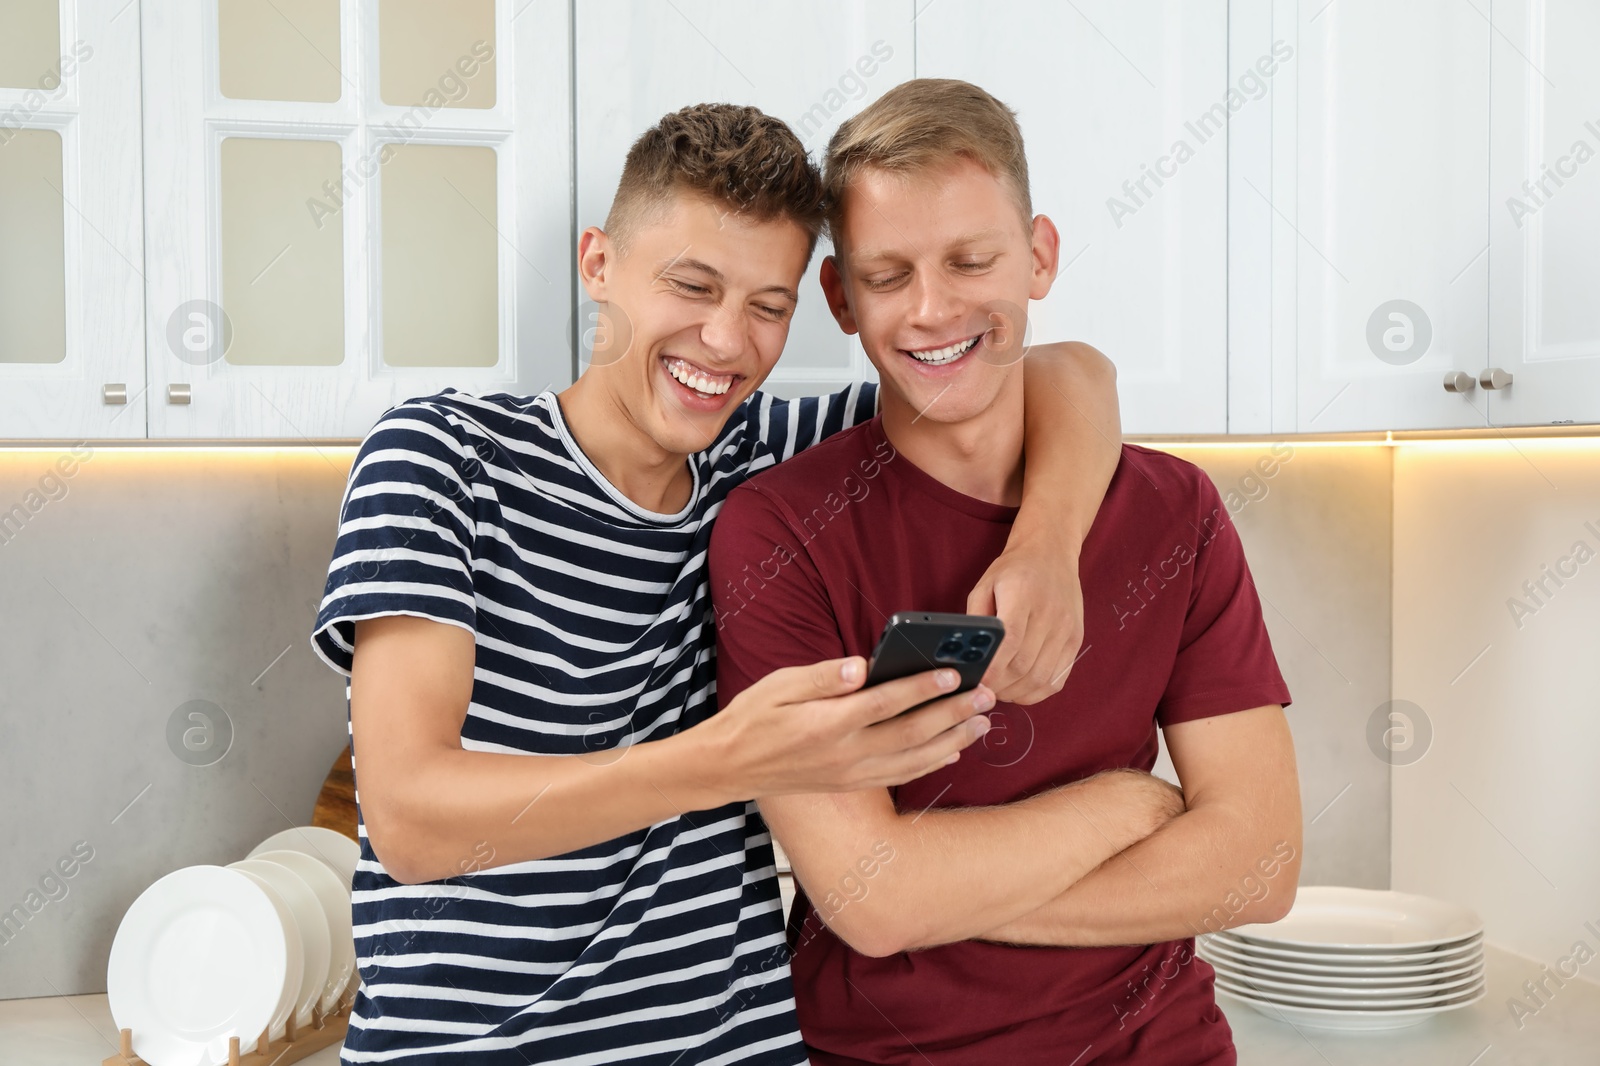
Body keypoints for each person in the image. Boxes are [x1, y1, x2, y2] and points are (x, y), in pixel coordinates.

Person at [310, 102, 1125, 1064]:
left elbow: (1067, 372)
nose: (727, 343)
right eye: (691, 286)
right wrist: (734, 759)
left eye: (766, 307)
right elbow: (411, 819)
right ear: (599, 264)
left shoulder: (769, 465)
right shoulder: (443, 458)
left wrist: (1046, 544)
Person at [709, 79, 1302, 1065]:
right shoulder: (778, 532)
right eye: (888, 274)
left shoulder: (1172, 511)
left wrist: (935, 890)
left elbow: (1260, 864)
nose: (934, 308)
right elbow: (871, 899)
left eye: (971, 259)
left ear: (1039, 257)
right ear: (840, 299)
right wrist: (1120, 807)